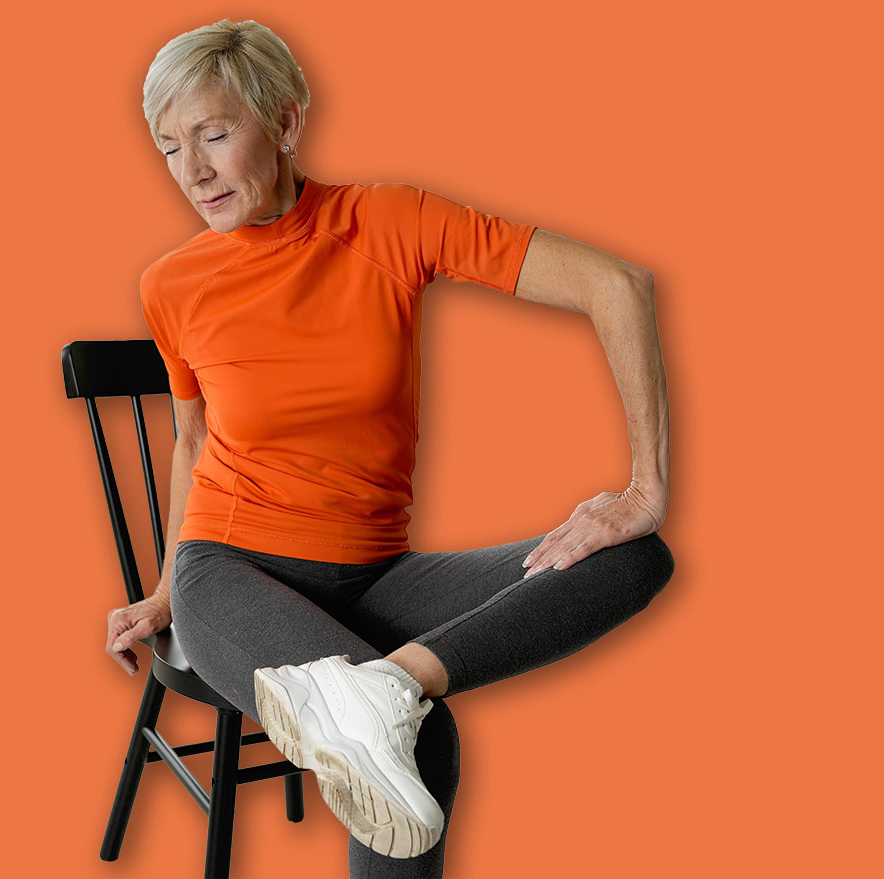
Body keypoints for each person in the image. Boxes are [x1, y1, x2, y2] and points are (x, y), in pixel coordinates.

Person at [105, 18, 674, 878]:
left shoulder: (387, 222)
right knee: (419, 735)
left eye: (215, 134)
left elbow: (616, 284)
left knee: (636, 560)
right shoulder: (170, 285)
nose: (193, 171)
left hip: (378, 573)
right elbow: (191, 439)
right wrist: (161, 591)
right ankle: (390, 696)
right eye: (169, 147)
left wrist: (643, 487)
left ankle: (385, 684)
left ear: (287, 121)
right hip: (226, 570)